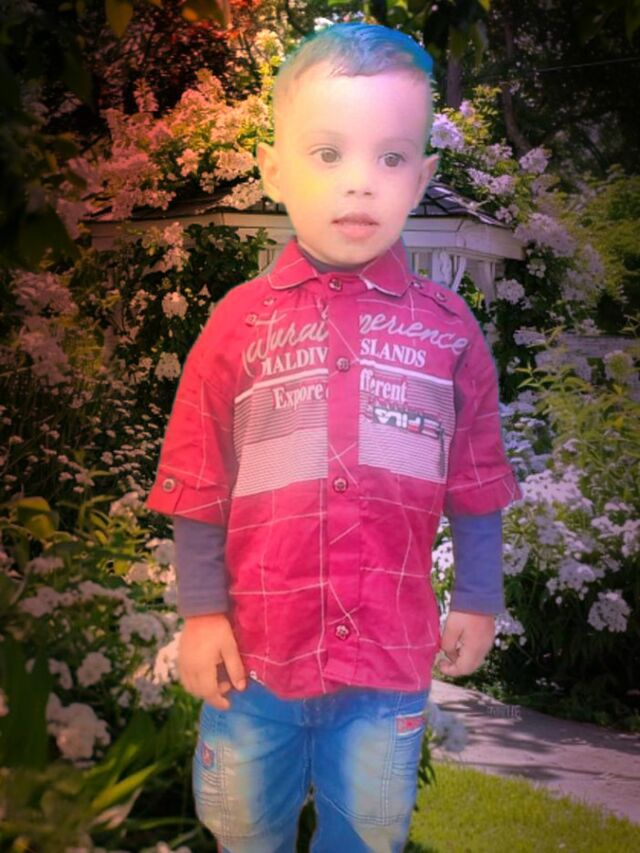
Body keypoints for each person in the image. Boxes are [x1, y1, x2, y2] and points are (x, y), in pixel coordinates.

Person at [144, 21, 523, 853]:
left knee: (369, 835)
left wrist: (478, 596)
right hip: (254, 658)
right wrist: (202, 615)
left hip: (388, 659)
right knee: (245, 829)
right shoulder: (237, 325)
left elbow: (478, 478)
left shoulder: (449, 331)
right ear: (275, 169)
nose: (360, 182)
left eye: (390, 158)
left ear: (421, 178)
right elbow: (198, 479)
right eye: (328, 154)